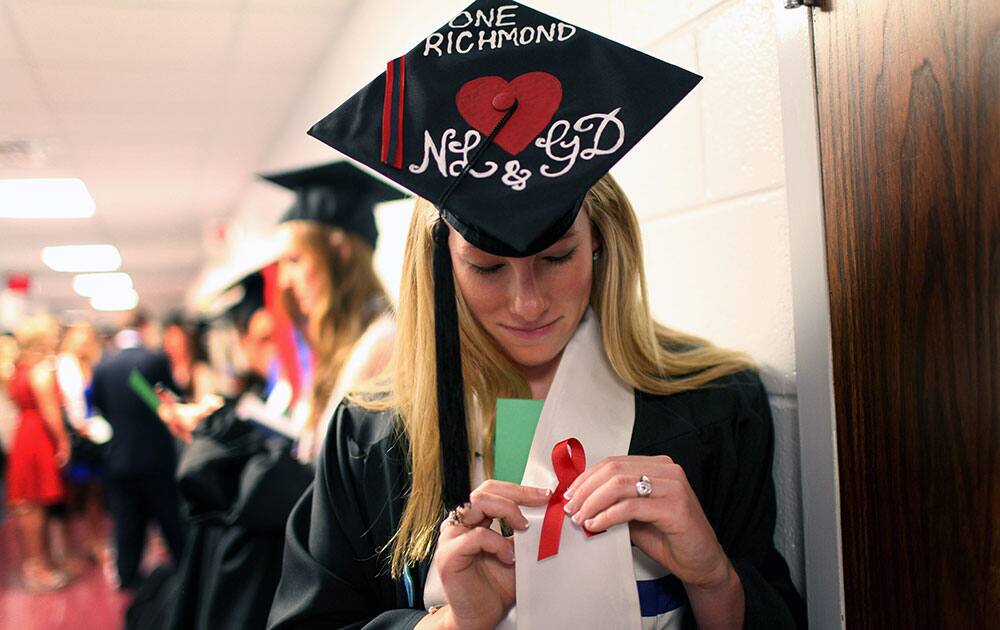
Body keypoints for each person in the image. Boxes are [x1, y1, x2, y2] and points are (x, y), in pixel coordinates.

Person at [268, 1, 805, 628]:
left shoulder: (715, 405)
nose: (527, 302)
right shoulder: (373, 434)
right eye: (488, 268)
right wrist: (456, 622)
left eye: (556, 257)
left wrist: (714, 576)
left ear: (601, 239)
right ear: (439, 265)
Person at [127, 162, 406, 630]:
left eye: (296, 260)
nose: (287, 281)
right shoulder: (336, 346)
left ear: (338, 250)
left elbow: (333, 472)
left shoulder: (381, 342)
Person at [90, 309, 186, 590]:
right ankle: (187, 572)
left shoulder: (103, 366)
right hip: (156, 456)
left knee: (126, 524)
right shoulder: (155, 359)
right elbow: (170, 401)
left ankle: (128, 578)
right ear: (144, 326)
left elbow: (101, 406)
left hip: (119, 457)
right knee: (170, 519)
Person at [4, 313, 72, 591]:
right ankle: (38, 566)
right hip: (38, 438)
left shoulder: (16, 368)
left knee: (29, 504)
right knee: (35, 505)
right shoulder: (41, 369)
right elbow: (50, 412)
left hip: (23, 432)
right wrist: (63, 441)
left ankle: (37, 562)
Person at [55, 321, 110, 566]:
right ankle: (71, 549)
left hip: (95, 433)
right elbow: (70, 404)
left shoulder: (93, 365)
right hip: (78, 435)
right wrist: (81, 426)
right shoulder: (65, 365)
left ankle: (95, 540)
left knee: (95, 493)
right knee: (74, 494)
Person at [161, 314, 216, 402]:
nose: (171, 346)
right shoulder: (163, 370)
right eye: (168, 340)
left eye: (176, 341)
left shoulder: (200, 372)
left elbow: (205, 404)